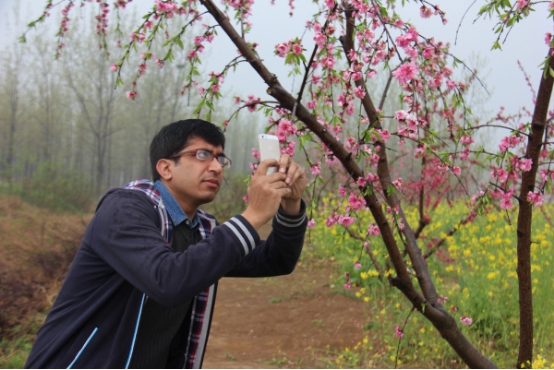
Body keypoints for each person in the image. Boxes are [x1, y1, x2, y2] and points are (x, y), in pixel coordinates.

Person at [25, 119, 308, 369]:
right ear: (165, 168)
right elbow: (167, 280)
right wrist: (254, 215)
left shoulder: (200, 230)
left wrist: (291, 204)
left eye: (220, 159)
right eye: (202, 155)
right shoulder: (124, 210)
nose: (215, 167)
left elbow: (276, 259)